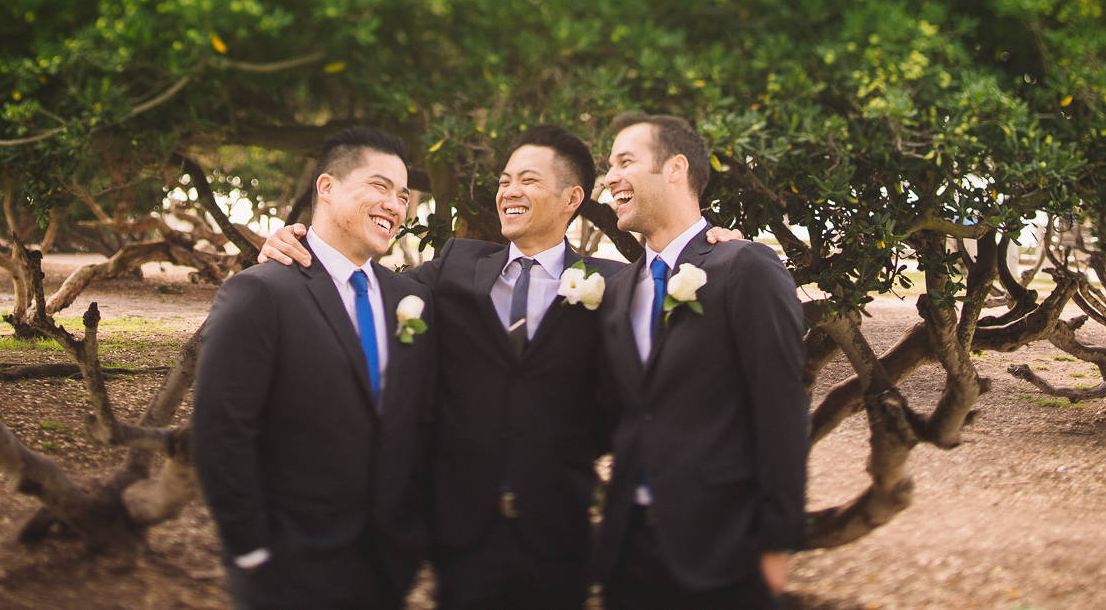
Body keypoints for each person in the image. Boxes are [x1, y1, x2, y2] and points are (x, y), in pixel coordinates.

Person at [259, 124, 743, 608]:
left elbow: (683, 301)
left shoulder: (614, 284)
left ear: (572, 198)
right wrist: (299, 245)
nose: (509, 191)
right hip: (462, 538)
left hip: (561, 536)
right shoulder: (454, 266)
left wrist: (717, 245)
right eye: (504, 180)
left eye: (528, 180)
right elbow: (365, 286)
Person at [192, 127, 437, 610]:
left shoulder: (410, 298)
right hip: (288, 572)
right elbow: (221, 431)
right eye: (380, 186)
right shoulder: (261, 292)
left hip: (387, 568)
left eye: (404, 195)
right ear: (326, 188)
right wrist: (252, 549)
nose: (395, 205)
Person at [593, 113, 808, 610]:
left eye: (625, 161)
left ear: (675, 168)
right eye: (609, 167)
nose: (609, 178)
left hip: (724, 550)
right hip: (627, 555)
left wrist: (777, 542)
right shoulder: (620, 287)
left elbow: (781, 409)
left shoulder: (745, 267)